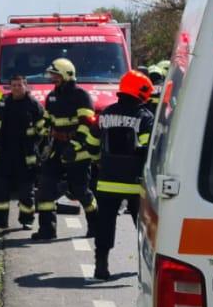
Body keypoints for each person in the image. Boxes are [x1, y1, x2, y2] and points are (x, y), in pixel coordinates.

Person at [89, 71, 155, 280]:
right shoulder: (144, 117)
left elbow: (92, 144)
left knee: (105, 224)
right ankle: (147, 269)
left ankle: (101, 266)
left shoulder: (106, 114)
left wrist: (98, 161)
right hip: (136, 184)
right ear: (141, 91)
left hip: (107, 180)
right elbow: (148, 149)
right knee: (143, 228)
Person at [33, 58, 99, 242]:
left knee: (80, 191)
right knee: (45, 189)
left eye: (55, 75)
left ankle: (95, 226)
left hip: (78, 151)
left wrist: (74, 145)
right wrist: (39, 141)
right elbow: (48, 121)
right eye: (51, 75)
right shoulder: (52, 96)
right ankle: (47, 230)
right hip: (56, 149)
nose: (52, 78)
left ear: (67, 75)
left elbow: (87, 124)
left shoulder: (81, 96)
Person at [0, 74, 43, 230]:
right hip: (4, 153)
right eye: (14, 85)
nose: (16, 88)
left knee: (26, 192)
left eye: (19, 85)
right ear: (10, 87)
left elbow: (42, 129)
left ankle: (27, 220)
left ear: (25, 86)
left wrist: (37, 145)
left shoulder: (33, 105)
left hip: (25, 155)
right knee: (0, 189)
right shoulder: (3, 103)